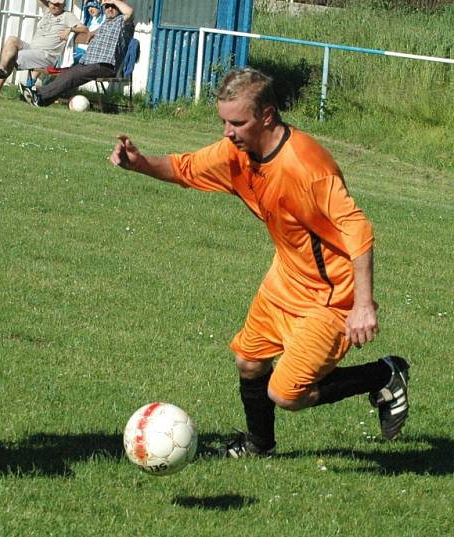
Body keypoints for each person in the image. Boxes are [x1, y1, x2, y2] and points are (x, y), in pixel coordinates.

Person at [109, 67, 410, 457]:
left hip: (332, 296)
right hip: (284, 280)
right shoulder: (237, 153)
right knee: (249, 361)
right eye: (223, 121)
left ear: (267, 116)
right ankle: (258, 446)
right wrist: (141, 163)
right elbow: (186, 168)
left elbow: (357, 228)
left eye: (237, 122)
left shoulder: (306, 167)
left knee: (286, 393)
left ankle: (384, 374)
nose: (227, 132)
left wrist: (363, 305)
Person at [22, 0, 133, 107]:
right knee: (67, 74)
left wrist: (113, 1)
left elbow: (129, 12)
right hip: (89, 62)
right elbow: (95, 31)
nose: (110, 8)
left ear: (119, 7)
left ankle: (40, 96)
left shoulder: (123, 22)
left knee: (72, 76)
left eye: (113, 6)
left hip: (105, 65)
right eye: (107, 6)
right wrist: (91, 33)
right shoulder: (107, 22)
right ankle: (41, 100)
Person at [0, 0, 87, 98]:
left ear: (63, 4)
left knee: (13, 55)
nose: (55, 6)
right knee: (12, 40)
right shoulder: (47, 11)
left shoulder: (67, 16)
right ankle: (1, 69)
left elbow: (84, 29)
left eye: (58, 4)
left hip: (47, 55)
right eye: (52, 3)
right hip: (33, 49)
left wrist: (70, 29)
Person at [72, 0, 103, 64]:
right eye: (88, 7)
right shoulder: (92, 19)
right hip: (81, 48)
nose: (90, 10)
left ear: (99, 6)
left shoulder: (104, 19)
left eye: (92, 6)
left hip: (90, 52)